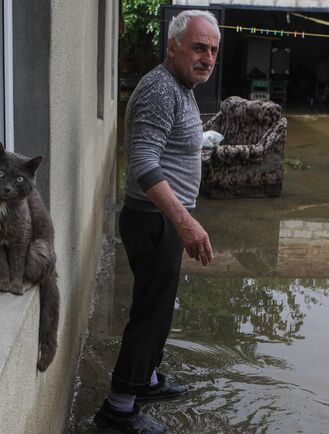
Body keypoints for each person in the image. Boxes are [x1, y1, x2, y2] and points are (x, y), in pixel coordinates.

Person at [94, 10, 218, 434]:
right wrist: (185, 223)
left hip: (162, 221)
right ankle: (118, 408)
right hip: (155, 222)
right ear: (172, 47)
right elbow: (143, 163)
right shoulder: (160, 89)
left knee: (160, 309)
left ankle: (144, 379)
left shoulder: (181, 87)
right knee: (149, 314)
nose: (208, 57)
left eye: (214, 50)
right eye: (199, 47)